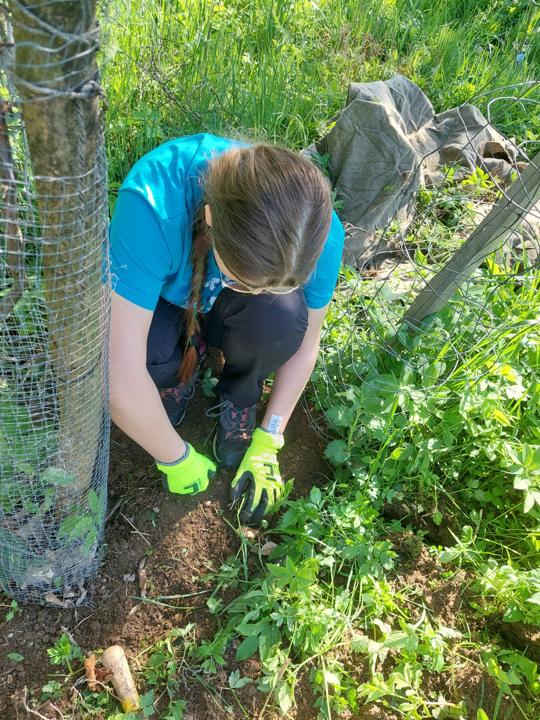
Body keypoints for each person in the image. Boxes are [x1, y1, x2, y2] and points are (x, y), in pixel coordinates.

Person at [108, 133, 344, 525]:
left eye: (273, 288)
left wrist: (270, 437)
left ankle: (240, 394)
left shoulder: (316, 233)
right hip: (167, 301)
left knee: (281, 317)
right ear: (211, 220)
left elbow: (306, 344)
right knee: (148, 354)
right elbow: (119, 373)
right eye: (243, 283)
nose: (260, 295)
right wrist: (175, 458)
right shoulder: (153, 205)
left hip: (234, 315)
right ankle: (178, 367)